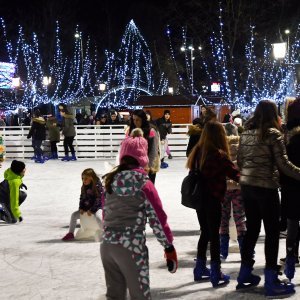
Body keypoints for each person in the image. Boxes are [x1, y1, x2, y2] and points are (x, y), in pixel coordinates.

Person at [101, 128, 177, 299]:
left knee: (114, 296)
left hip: (107, 245)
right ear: (142, 156)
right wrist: (169, 246)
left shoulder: (110, 180)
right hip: (131, 245)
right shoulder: (143, 182)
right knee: (139, 295)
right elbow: (157, 218)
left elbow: (105, 213)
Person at [236, 100, 300, 297]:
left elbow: (240, 161)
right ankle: (271, 279)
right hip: (266, 188)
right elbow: (284, 164)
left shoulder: (245, 132)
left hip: (247, 187)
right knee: (272, 232)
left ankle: (244, 273)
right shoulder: (272, 134)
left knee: (252, 230)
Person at [186, 121, 239, 287]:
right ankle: (216, 272)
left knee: (206, 233)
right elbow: (235, 173)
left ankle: (200, 268)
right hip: (213, 198)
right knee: (214, 235)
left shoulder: (197, 152)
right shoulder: (218, 155)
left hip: (199, 198)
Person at [280, 97, 300, 282]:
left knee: (293, 224)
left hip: (292, 189)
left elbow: (284, 167)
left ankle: (291, 259)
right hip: (292, 187)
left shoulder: (289, 143)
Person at [219, 126, 246, 260]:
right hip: (238, 187)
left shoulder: (221, 148)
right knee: (239, 218)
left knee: (223, 218)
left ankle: (223, 250)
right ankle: (245, 250)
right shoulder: (242, 147)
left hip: (224, 188)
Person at [62, 168, 103, 241]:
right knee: (74, 215)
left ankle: (106, 233)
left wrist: (93, 210)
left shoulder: (97, 187)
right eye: (83, 178)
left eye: (86, 178)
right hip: (87, 209)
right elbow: (82, 198)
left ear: (91, 178)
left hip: (98, 208)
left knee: (98, 217)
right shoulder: (84, 187)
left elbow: (99, 200)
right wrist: (81, 208)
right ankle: (70, 233)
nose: (84, 180)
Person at [127, 110, 160, 184]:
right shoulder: (131, 131)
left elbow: (153, 150)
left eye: (138, 120)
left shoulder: (151, 131)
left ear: (143, 119)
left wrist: (148, 166)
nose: (135, 122)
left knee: (148, 188)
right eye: (134, 119)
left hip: (148, 165)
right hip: (134, 165)